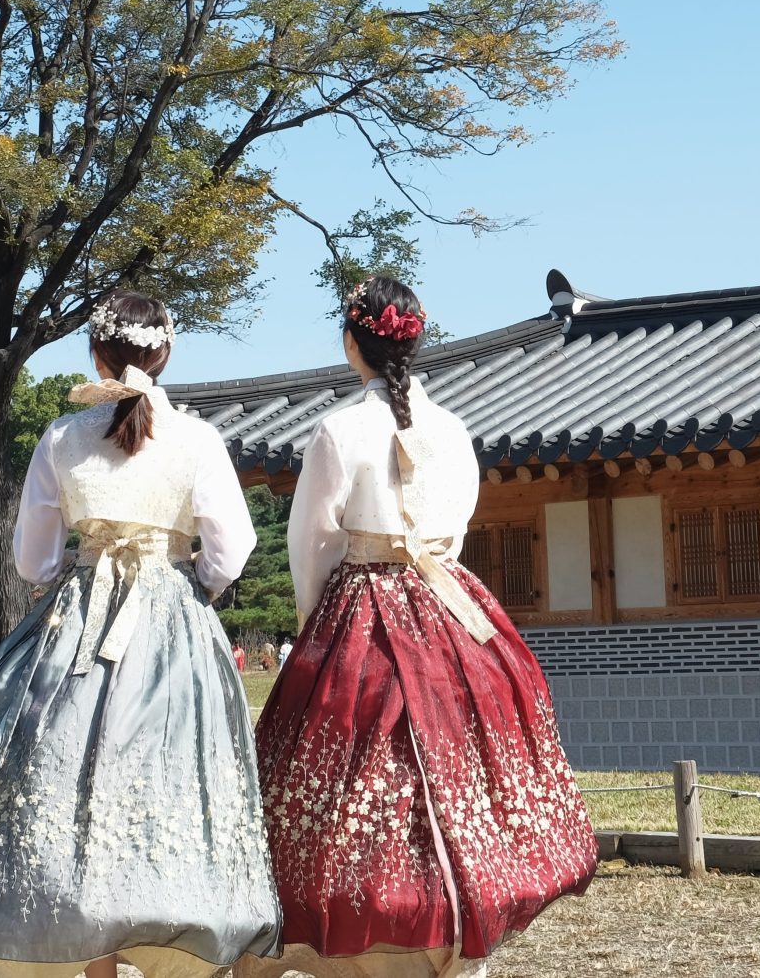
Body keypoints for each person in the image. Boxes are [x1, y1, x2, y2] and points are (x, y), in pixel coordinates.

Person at [0, 291, 280, 978]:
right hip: (173, 626)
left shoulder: (64, 436)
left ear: (96, 353)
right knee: (173, 784)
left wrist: (79, 565)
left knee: (63, 782)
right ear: (167, 351)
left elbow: (31, 559)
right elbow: (230, 548)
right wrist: (191, 584)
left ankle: (90, 962)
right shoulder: (197, 439)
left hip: (76, 624)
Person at [241, 276, 597, 978]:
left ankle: (362, 916)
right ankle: (459, 910)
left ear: (353, 343)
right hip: (446, 602)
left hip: (362, 604)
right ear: (416, 340)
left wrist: (320, 631)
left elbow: (310, 541)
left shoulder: (337, 429)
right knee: (461, 760)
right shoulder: (454, 429)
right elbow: (455, 527)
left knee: (345, 773)